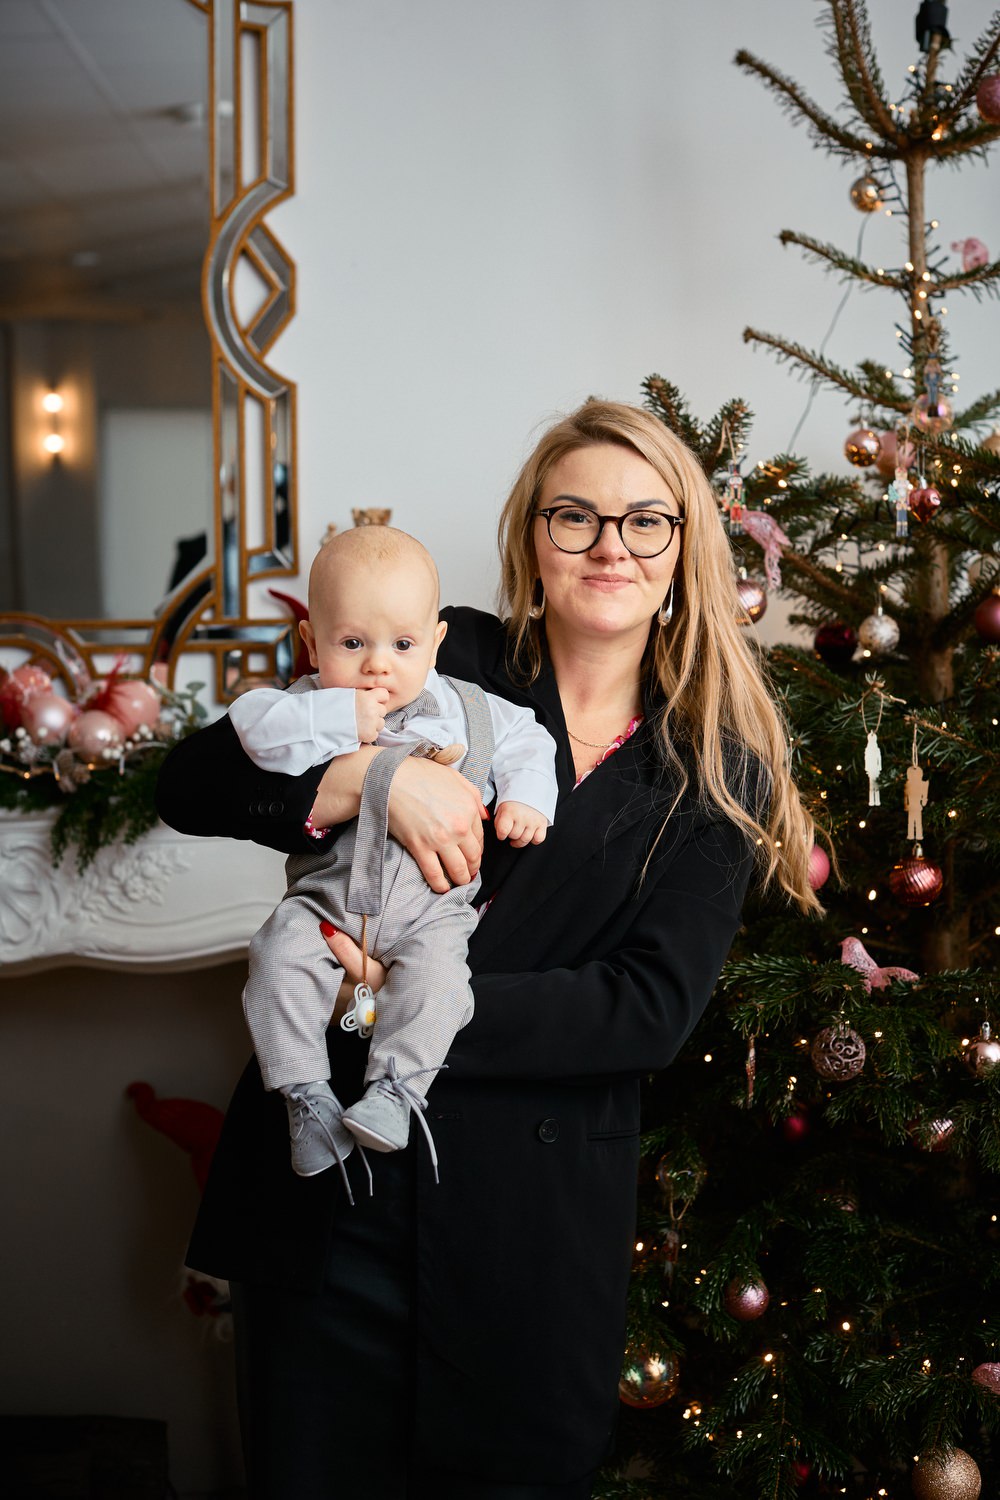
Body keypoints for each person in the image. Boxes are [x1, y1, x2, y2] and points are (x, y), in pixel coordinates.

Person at [155, 400, 820, 1500]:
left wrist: (391, 1005)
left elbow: (644, 1009)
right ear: (532, 538)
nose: (610, 546)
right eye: (576, 516)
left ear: (684, 547)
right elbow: (193, 785)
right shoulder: (439, 649)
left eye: (645, 520)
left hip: (529, 1230)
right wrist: (373, 777)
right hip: (332, 1205)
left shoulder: (715, 765)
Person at [227, 526, 557, 1181]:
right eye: (352, 644)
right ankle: (306, 1098)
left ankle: (395, 1094)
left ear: (435, 641)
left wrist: (527, 800)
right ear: (311, 642)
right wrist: (335, 720)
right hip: (325, 901)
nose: (378, 665)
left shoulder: (471, 709)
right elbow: (250, 727)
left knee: (440, 984)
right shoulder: (304, 707)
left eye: (403, 645)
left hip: (432, 909)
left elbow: (530, 740)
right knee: (276, 956)